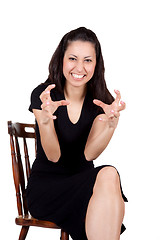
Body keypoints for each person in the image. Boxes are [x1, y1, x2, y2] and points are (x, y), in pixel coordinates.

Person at [26, 27, 128, 240]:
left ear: (96, 64)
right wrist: (45, 122)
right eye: (73, 58)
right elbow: (53, 156)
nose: (79, 67)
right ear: (61, 59)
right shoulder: (44, 96)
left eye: (88, 60)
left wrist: (111, 126)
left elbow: (89, 155)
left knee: (109, 174)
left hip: (83, 185)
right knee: (106, 182)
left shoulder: (102, 101)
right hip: (48, 188)